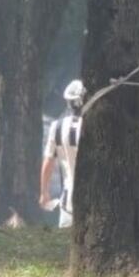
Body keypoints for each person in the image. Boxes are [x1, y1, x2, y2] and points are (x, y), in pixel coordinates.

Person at [40, 80, 86, 228]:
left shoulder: (57, 127)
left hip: (68, 201)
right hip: (94, 201)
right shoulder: (92, 127)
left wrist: (44, 192)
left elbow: (48, 162)